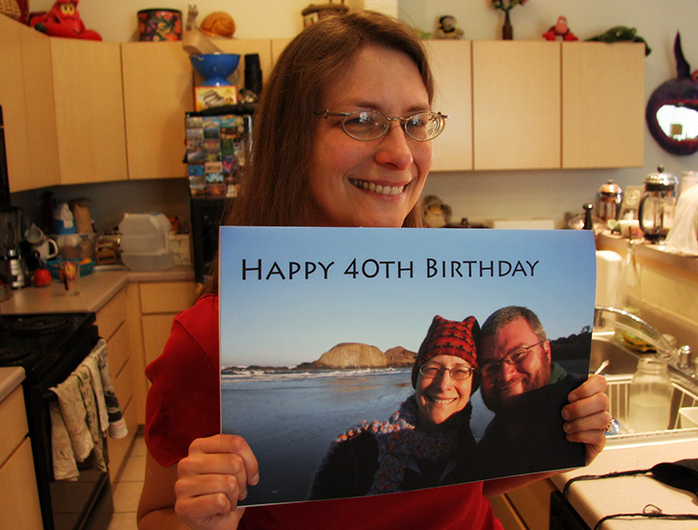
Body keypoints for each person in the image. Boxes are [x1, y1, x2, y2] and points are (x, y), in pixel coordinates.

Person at [137, 10, 610, 530]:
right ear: (293, 138)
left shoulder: (454, 327)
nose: (400, 154)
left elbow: (456, 486)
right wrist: (203, 522)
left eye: (414, 122)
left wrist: (561, 443)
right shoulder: (207, 340)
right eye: (361, 120)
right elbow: (155, 516)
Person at [309, 315, 482, 499]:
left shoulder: (480, 462)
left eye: (460, 371)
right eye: (432, 369)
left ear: (473, 384)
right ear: (417, 378)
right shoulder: (355, 452)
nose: (443, 384)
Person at [476, 305, 590, 480]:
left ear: (546, 351)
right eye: (491, 366)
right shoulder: (499, 431)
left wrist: (605, 427)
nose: (506, 375)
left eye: (519, 354)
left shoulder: (574, 404)